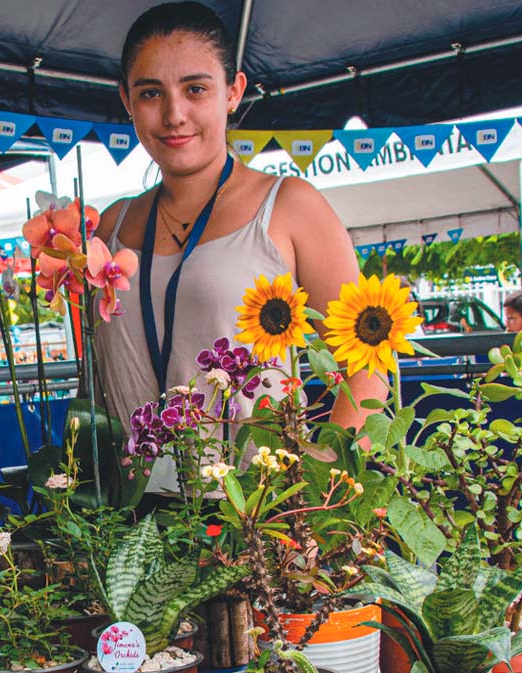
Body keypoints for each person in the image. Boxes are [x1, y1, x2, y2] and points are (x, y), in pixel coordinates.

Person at [93, 1, 385, 443]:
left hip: (255, 505)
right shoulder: (113, 225)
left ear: (233, 91)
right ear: (126, 100)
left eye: (195, 89)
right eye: (151, 93)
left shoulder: (289, 206)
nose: (174, 114)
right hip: (129, 506)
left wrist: (321, 485)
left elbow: (367, 363)